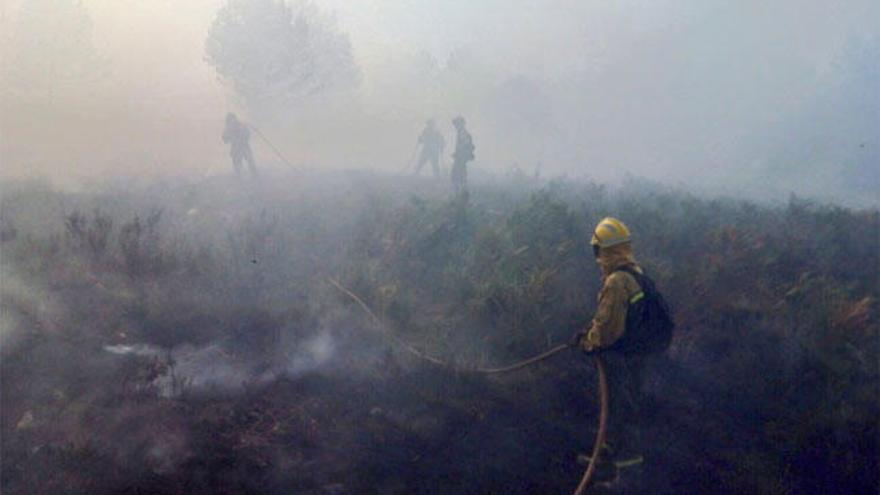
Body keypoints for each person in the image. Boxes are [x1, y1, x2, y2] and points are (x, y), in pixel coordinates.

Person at [573, 217, 653, 485]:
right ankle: (611, 461)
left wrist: (587, 342)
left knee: (619, 408)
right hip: (636, 357)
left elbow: (607, 328)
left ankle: (621, 475)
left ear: (604, 250)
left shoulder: (618, 281)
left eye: (597, 251)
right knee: (623, 408)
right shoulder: (636, 274)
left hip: (621, 359)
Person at [222, 113, 257, 177]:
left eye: (233, 120)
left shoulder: (241, 126)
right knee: (238, 164)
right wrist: (229, 134)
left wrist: (241, 133)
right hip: (236, 148)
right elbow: (225, 139)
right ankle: (240, 177)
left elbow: (247, 135)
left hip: (243, 146)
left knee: (250, 161)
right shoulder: (228, 129)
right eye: (231, 120)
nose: (232, 122)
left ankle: (254, 176)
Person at [450, 116, 475, 194]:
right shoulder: (461, 132)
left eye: (456, 124)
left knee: (456, 174)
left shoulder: (463, 132)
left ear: (460, 124)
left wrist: (459, 153)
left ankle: (460, 191)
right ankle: (461, 191)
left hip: (461, 157)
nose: (455, 126)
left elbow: (465, 145)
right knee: (460, 173)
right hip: (461, 157)